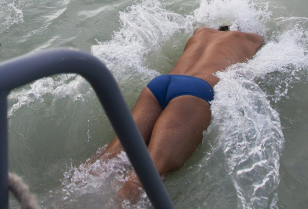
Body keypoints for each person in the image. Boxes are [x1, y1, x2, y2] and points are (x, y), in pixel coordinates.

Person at [90, 26, 265, 203]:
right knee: (149, 173)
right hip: (196, 90)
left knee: (108, 158)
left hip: (160, 84)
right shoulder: (252, 38)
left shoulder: (201, 31)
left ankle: (63, 202)